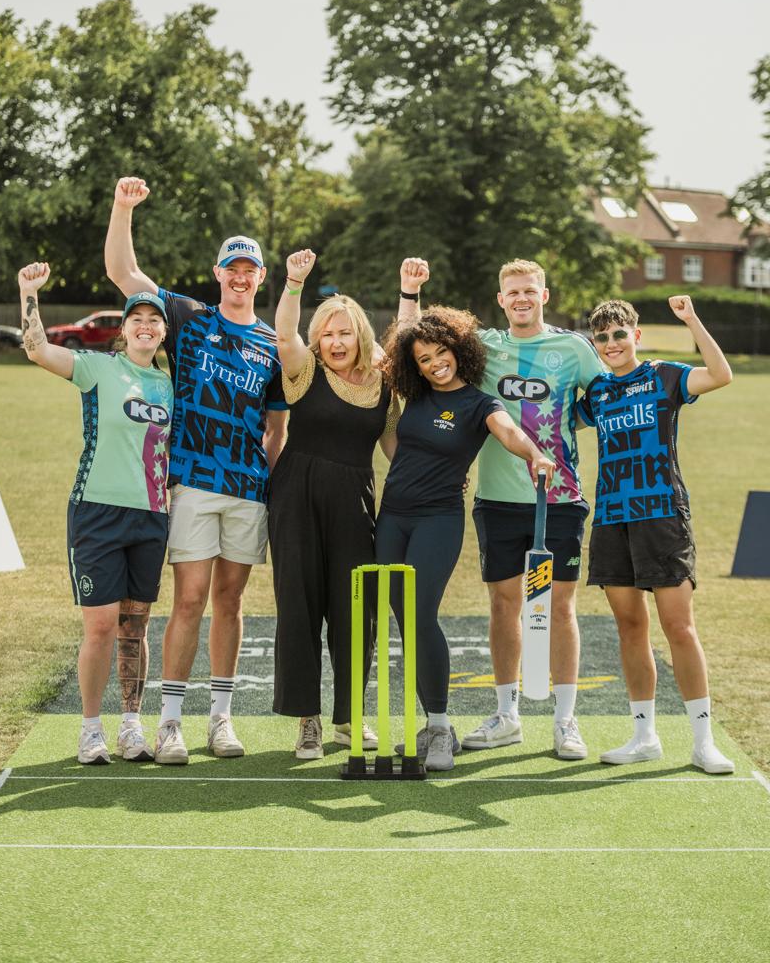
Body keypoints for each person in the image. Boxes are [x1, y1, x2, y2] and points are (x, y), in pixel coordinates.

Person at [105, 177, 287, 765]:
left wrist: (269, 484)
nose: (240, 277)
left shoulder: (274, 343)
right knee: (189, 600)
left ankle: (221, 719)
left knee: (231, 602)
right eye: (232, 268)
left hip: (246, 489)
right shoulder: (188, 316)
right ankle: (171, 723)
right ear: (219, 272)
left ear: (261, 278)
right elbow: (123, 275)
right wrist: (123, 208)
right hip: (190, 482)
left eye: (250, 270)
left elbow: (277, 429)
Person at [399, 260, 600, 760]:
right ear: (501, 298)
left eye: (530, 290)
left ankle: (565, 720)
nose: (522, 299)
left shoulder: (574, 349)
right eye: (513, 292)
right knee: (504, 605)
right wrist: (412, 291)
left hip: (559, 498)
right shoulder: (484, 347)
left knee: (558, 608)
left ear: (545, 295)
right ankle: (507, 715)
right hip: (495, 500)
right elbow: (419, 344)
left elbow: (605, 400)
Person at [378, 306, 556, 771]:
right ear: (412, 366)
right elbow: (393, 439)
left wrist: (533, 453)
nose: (435, 363)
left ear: (458, 351)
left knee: (419, 615)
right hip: (391, 517)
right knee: (402, 620)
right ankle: (432, 725)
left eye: (441, 353)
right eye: (423, 358)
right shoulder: (413, 395)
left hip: (437, 519)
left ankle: (439, 726)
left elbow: (510, 431)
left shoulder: (480, 404)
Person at [18, 262, 173, 765]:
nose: (145, 325)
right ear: (124, 330)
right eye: (137, 319)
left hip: (151, 516)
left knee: (136, 625)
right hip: (97, 514)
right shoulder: (98, 367)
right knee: (101, 625)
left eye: (154, 319)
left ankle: (132, 724)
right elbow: (38, 351)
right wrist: (29, 293)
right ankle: (90, 729)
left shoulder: (171, 387)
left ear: (164, 331)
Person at [577, 295, 734, 773]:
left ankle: (703, 741)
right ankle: (644, 735)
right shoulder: (598, 392)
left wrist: (690, 320)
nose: (611, 344)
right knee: (630, 627)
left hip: (662, 515)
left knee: (678, 627)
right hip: (611, 518)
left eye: (619, 334)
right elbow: (554, 417)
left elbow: (721, 375)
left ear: (636, 335)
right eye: (602, 338)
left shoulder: (665, 376)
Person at [270, 249, 404, 759]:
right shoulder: (303, 370)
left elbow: (392, 447)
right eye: (327, 332)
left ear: (361, 335)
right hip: (296, 497)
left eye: (345, 332)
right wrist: (294, 283)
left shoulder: (382, 385)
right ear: (318, 339)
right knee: (300, 606)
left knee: (356, 611)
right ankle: (307, 721)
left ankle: (348, 719)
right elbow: (284, 333)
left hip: (355, 499)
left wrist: (429, 477)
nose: (336, 340)